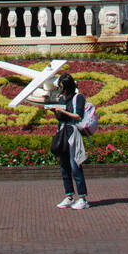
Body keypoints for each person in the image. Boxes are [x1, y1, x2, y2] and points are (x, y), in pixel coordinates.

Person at [52, 73, 89, 210]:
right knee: (64, 166)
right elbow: (61, 118)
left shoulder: (77, 98)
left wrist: (65, 112)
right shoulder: (62, 98)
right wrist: (55, 112)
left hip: (73, 133)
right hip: (62, 133)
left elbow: (78, 116)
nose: (60, 89)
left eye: (61, 87)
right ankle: (69, 196)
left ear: (67, 86)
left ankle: (83, 198)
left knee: (75, 166)